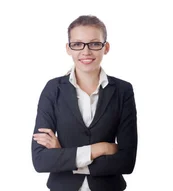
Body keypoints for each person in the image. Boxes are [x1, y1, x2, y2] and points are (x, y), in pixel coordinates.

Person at [31, 15, 138, 191]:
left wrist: (64, 156)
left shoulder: (123, 90)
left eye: (95, 44)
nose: (86, 51)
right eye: (77, 44)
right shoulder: (53, 89)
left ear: (106, 47)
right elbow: (40, 160)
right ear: (68, 48)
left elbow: (127, 162)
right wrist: (101, 148)